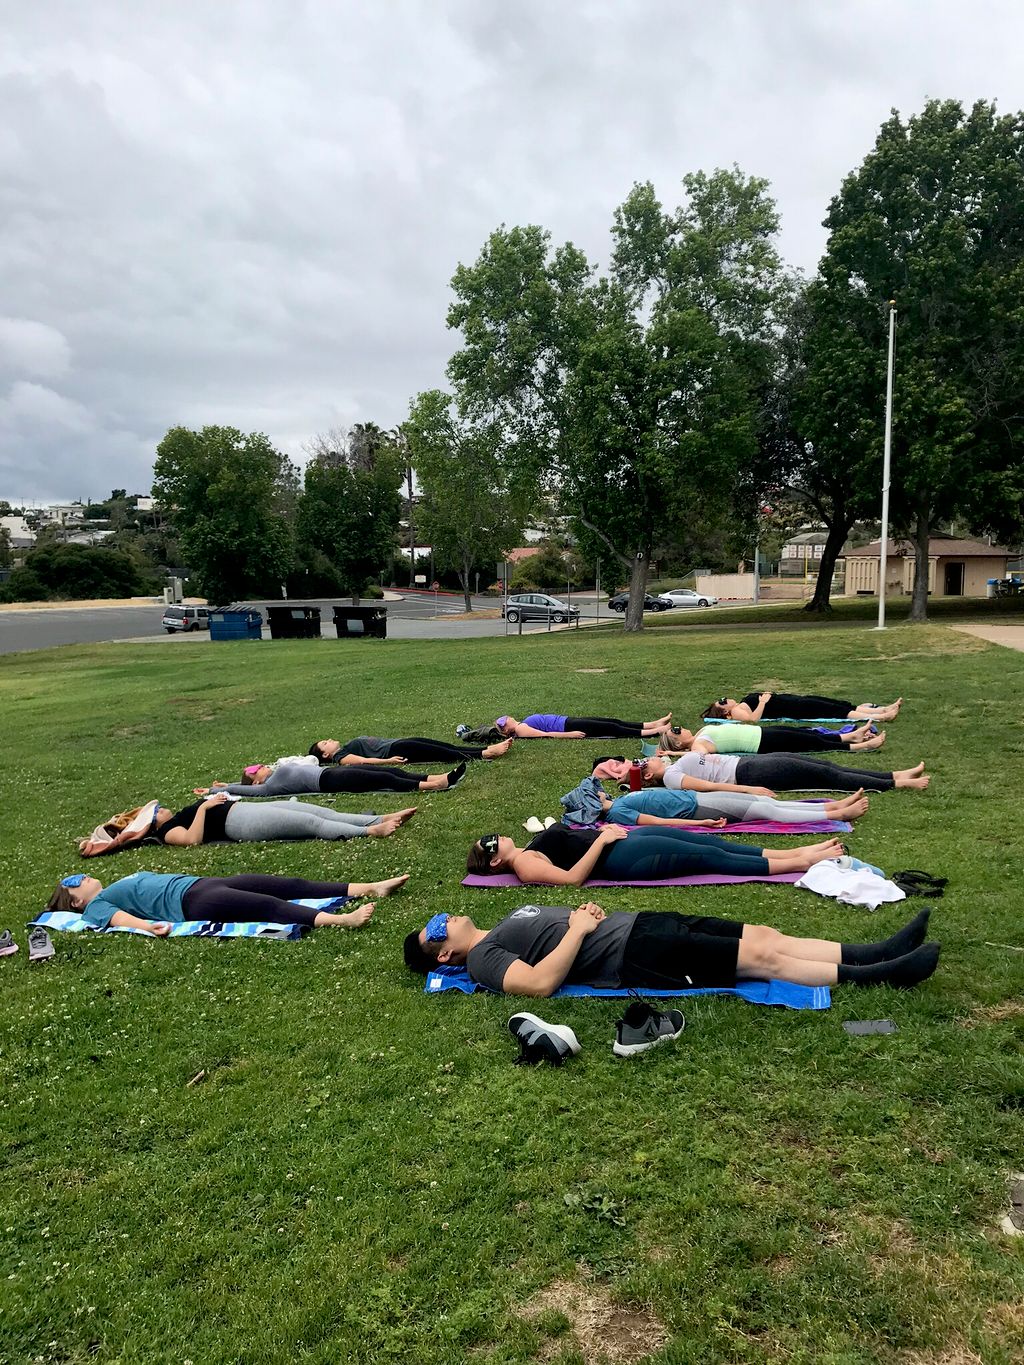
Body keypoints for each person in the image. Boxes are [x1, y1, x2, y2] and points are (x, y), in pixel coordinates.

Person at [403, 902, 941, 996]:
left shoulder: (496, 926)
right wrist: (578, 930)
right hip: (637, 951)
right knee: (761, 962)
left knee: (765, 937)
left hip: (641, 923)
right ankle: (882, 975)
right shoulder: (479, 960)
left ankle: (872, 950)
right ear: (443, 956)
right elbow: (539, 985)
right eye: (435, 929)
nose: (443, 920)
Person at [47, 869, 411, 934]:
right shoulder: (96, 907)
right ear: (76, 903)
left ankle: (369, 887)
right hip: (193, 904)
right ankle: (341, 921)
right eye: (73, 885)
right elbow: (119, 920)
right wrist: (148, 926)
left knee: (287, 884)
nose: (82, 880)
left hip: (202, 884)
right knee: (268, 906)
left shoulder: (106, 890)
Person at [465, 826, 847, 886]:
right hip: (621, 856)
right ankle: (801, 863)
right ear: (496, 862)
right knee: (708, 857)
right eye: (491, 845)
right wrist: (602, 841)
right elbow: (572, 879)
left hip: (622, 841)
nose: (496, 838)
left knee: (714, 844)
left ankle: (796, 850)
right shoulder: (525, 865)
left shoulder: (527, 850)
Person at [77, 793, 417, 856]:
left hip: (244, 811)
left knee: (319, 811)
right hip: (240, 824)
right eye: (158, 811)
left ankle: (381, 818)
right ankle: (370, 831)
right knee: (311, 822)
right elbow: (193, 841)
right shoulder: (167, 833)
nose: (163, 809)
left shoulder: (167, 822)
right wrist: (205, 807)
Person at [560, 777, 869, 829]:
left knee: (758, 799)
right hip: (699, 809)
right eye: (595, 792)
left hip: (698, 797)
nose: (601, 790)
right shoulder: (620, 812)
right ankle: (837, 813)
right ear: (593, 802)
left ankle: (835, 806)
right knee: (768, 810)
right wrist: (701, 823)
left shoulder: (622, 799)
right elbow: (662, 822)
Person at [628, 752, 930, 794]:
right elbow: (707, 787)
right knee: (827, 776)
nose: (647, 761)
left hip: (751, 763)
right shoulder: (670, 777)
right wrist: (752, 791)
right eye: (644, 767)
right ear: (651, 777)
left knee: (827, 767)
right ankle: (898, 784)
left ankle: (893, 774)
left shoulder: (672, 763)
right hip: (751, 773)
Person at [196, 759, 467, 799]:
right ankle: (433, 786)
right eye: (255, 769)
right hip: (329, 782)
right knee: (383, 778)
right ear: (254, 781)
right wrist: (218, 788)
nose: (260, 766)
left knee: (391, 772)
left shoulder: (277, 770)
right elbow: (247, 793)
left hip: (329, 773)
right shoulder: (269, 786)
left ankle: (438, 777)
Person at [660, 722, 886, 756]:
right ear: (679, 743)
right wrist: (674, 754)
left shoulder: (700, 733)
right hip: (762, 743)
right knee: (812, 744)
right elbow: (699, 757)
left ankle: (850, 735)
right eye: (677, 732)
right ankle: (862, 746)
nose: (681, 728)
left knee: (807, 734)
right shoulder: (699, 745)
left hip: (762, 732)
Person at [309, 735, 512, 765]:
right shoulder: (341, 757)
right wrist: (388, 761)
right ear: (326, 754)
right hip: (395, 750)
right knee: (440, 752)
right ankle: (485, 754)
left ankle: (484, 749)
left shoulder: (342, 749)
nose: (328, 740)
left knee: (442, 746)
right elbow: (362, 761)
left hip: (398, 742)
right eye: (324, 743)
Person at [706, 692, 903, 723]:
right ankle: (881, 717)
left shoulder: (739, 705)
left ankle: (883, 709)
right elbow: (753, 720)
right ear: (725, 712)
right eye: (722, 702)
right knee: (834, 711)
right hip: (795, 708)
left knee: (833, 704)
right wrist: (764, 702)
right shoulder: (738, 711)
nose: (726, 699)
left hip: (795, 702)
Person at [495, 711, 673, 739]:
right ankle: (655, 731)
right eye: (503, 723)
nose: (507, 719)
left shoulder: (521, 723)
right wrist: (569, 735)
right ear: (506, 729)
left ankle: (651, 724)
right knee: (611, 728)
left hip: (567, 721)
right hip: (567, 727)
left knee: (611, 721)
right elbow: (545, 735)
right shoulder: (520, 729)